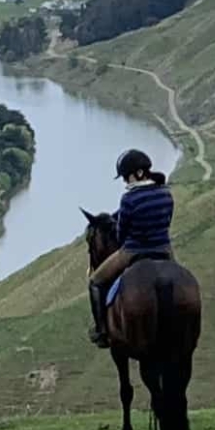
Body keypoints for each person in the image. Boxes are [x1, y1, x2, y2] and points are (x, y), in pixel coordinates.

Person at [87, 148, 175, 348]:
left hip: (134, 251)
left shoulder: (129, 199)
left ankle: (101, 331)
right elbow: (166, 221)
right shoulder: (165, 193)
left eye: (127, 177)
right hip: (164, 249)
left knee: (95, 282)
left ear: (139, 173)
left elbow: (121, 234)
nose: (126, 182)